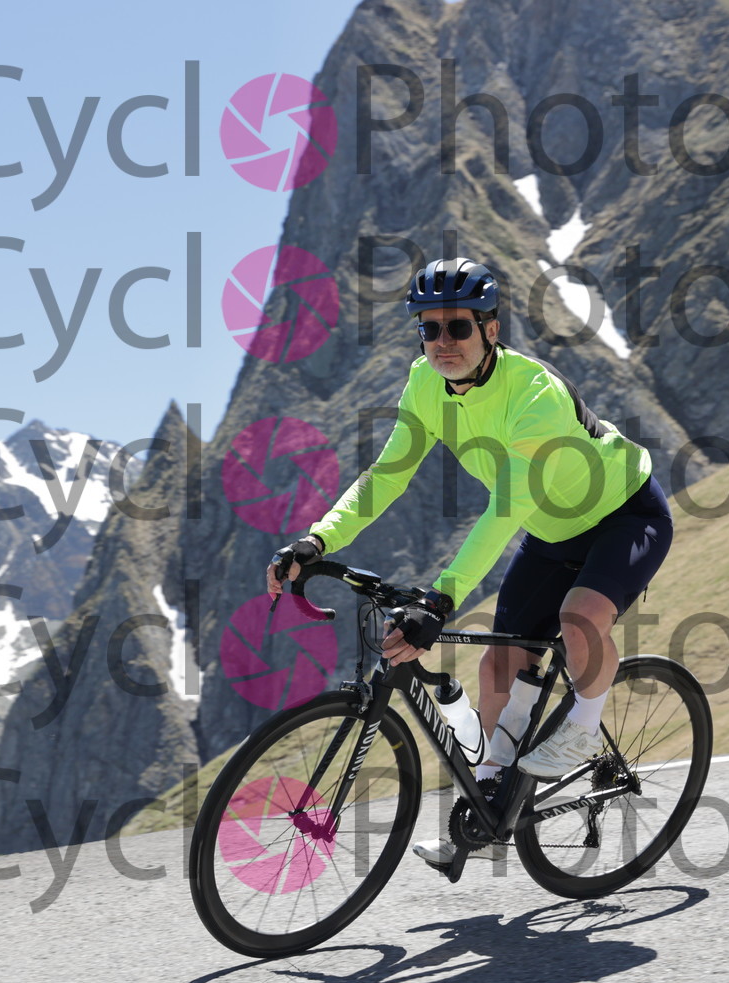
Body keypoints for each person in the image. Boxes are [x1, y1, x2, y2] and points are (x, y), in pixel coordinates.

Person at [266, 257, 674, 868]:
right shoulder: (425, 384)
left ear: (490, 328)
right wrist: (318, 541)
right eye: (429, 329)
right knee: (499, 664)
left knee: (580, 617)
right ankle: (484, 816)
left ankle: (585, 727)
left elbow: (506, 508)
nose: (443, 342)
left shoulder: (533, 394)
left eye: (457, 327)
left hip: (624, 515)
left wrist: (441, 598)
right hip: (551, 532)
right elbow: (388, 475)